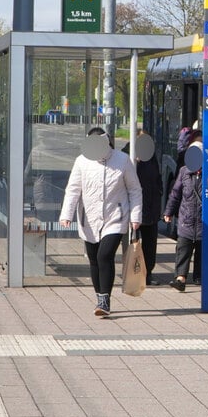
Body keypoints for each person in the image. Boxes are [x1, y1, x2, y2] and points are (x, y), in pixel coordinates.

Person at [59, 127, 142, 316]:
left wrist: (135, 216)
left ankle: (105, 300)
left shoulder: (122, 160)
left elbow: (135, 189)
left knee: (105, 256)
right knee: (94, 259)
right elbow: (73, 190)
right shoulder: (81, 162)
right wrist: (66, 215)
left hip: (116, 217)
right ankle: (99, 297)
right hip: (88, 217)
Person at [123, 130, 164, 286]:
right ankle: (132, 274)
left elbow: (157, 178)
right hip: (133, 208)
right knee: (132, 242)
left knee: (149, 244)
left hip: (151, 207)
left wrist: (158, 193)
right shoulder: (127, 156)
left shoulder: (152, 158)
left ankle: (147, 274)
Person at [163, 130, 203, 291]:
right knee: (183, 248)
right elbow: (175, 194)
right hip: (186, 218)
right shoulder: (184, 171)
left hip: (204, 221)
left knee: (202, 250)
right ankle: (180, 278)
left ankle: (199, 277)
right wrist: (168, 212)